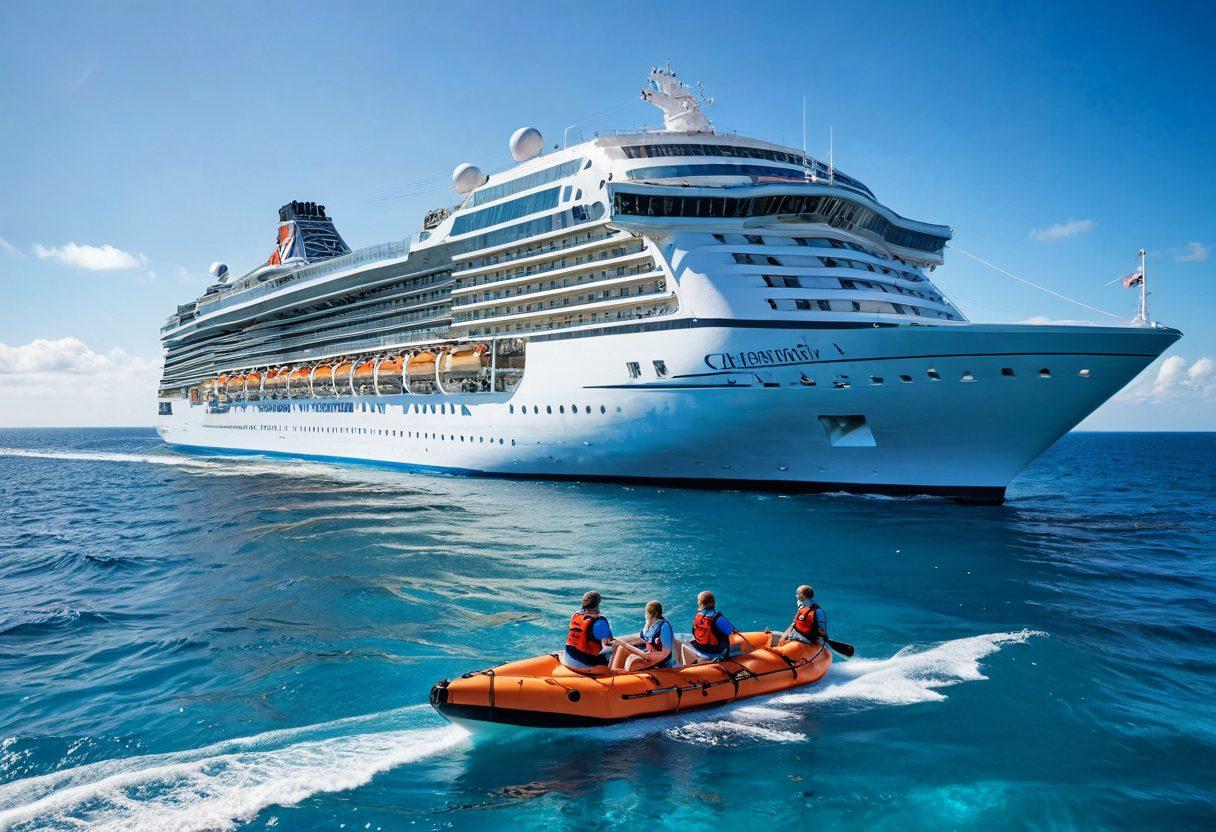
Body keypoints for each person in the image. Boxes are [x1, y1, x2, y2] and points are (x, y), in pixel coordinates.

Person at [610, 600, 675, 671]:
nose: (645, 616)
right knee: (621, 649)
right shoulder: (650, 625)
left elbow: (663, 654)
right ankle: (613, 670)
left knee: (631, 661)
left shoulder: (664, 627)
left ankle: (618, 674)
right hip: (650, 653)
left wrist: (624, 644)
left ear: (650, 615)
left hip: (659, 660)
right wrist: (621, 642)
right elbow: (642, 638)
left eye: (646, 613)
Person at [561, 591, 615, 672]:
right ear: (598, 603)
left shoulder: (575, 615)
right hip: (585, 663)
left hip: (568, 656)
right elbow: (607, 643)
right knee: (618, 651)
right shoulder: (599, 621)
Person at [682, 591, 737, 664]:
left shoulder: (698, 616)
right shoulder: (718, 618)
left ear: (699, 604)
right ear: (714, 602)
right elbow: (734, 633)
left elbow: (693, 632)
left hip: (699, 648)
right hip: (716, 652)